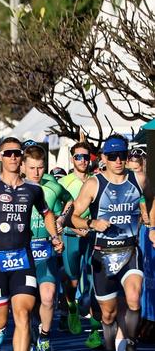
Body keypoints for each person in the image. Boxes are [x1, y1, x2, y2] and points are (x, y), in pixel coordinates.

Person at [0, 137, 63, 351]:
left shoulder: (34, 189)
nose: (13, 157)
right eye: (8, 153)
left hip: (23, 259)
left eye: (17, 153)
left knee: (23, 315)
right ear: (0, 157)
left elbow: (47, 213)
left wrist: (54, 237)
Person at [71, 134, 153, 351]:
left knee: (134, 298)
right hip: (103, 253)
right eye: (113, 156)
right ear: (104, 158)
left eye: (122, 156)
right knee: (108, 315)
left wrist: (152, 227)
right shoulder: (93, 184)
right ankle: (110, 345)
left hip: (129, 250)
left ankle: (131, 344)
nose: (118, 161)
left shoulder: (139, 179)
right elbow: (73, 216)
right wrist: (91, 222)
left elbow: (152, 200)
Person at [21, 145, 72, 351]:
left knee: (49, 297)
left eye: (40, 168)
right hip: (21, 251)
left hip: (45, 248)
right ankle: (32, 331)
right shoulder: (14, 187)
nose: (36, 172)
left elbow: (69, 201)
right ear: (23, 166)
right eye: (32, 168)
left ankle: (44, 337)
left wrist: (61, 219)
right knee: (28, 302)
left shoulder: (52, 187)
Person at [56, 141, 102, 346]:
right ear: (72, 159)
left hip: (92, 237)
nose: (82, 161)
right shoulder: (64, 183)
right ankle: (71, 308)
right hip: (71, 236)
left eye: (86, 157)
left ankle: (94, 331)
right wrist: (75, 229)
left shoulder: (98, 180)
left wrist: (90, 228)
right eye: (78, 157)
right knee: (72, 279)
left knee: (93, 284)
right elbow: (58, 213)